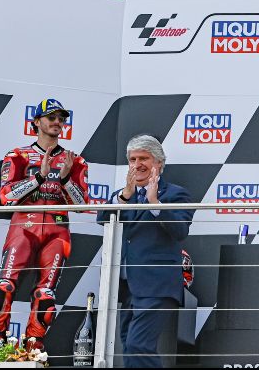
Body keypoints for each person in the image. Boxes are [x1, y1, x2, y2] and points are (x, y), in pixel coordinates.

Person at [0, 99, 89, 351]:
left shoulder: (75, 160)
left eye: (61, 119)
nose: (57, 123)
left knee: (46, 296)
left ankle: (34, 347)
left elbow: (83, 203)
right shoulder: (17, 155)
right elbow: (6, 197)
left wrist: (64, 179)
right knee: (2, 287)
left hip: (57, 230)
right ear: (37, 122)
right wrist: (39, 178)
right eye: (51, 117)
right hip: (23, 226)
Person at [97, 134, 194, 368]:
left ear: (158, 163)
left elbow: (180, 230)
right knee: (129, 346)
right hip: (126, 286)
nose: (137, 164)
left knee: (139, 346)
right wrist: (125, 196)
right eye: (132, 159)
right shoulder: (122, 195)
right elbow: (103, 219)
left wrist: (155, 204)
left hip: (157, 284)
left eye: (144, 158)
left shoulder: (175, 194)